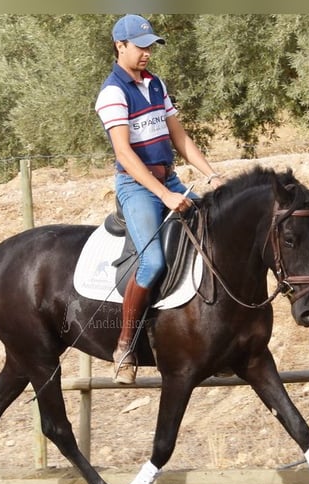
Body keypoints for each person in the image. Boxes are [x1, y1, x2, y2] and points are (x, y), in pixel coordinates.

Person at [95, 14, 225, 385]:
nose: (147, 53)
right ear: (120, 46)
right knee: (152, 262)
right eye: (140, 46)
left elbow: (180, 138)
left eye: (150, 46)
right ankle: (124, 346)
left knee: (217, 229)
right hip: (138, 188)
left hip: (171, 178)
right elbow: (125, 153)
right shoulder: (113, 93)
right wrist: (164, 195)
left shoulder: (155, 84)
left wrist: (209, 173)